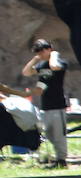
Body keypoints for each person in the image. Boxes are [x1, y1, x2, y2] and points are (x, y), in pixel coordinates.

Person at [21, 39, 68, 167]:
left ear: (49, 49)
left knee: (59, 135)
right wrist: (35, 59)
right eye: (38, 53)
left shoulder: (61, 63)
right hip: (45, 105)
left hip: (58, 105)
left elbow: (54, 66)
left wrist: (53, 54)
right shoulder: (41, 65)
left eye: (42, 52)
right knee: (49, 134)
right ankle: (55, 158)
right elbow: (26, 72)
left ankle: (62, 160)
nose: (41, 55)